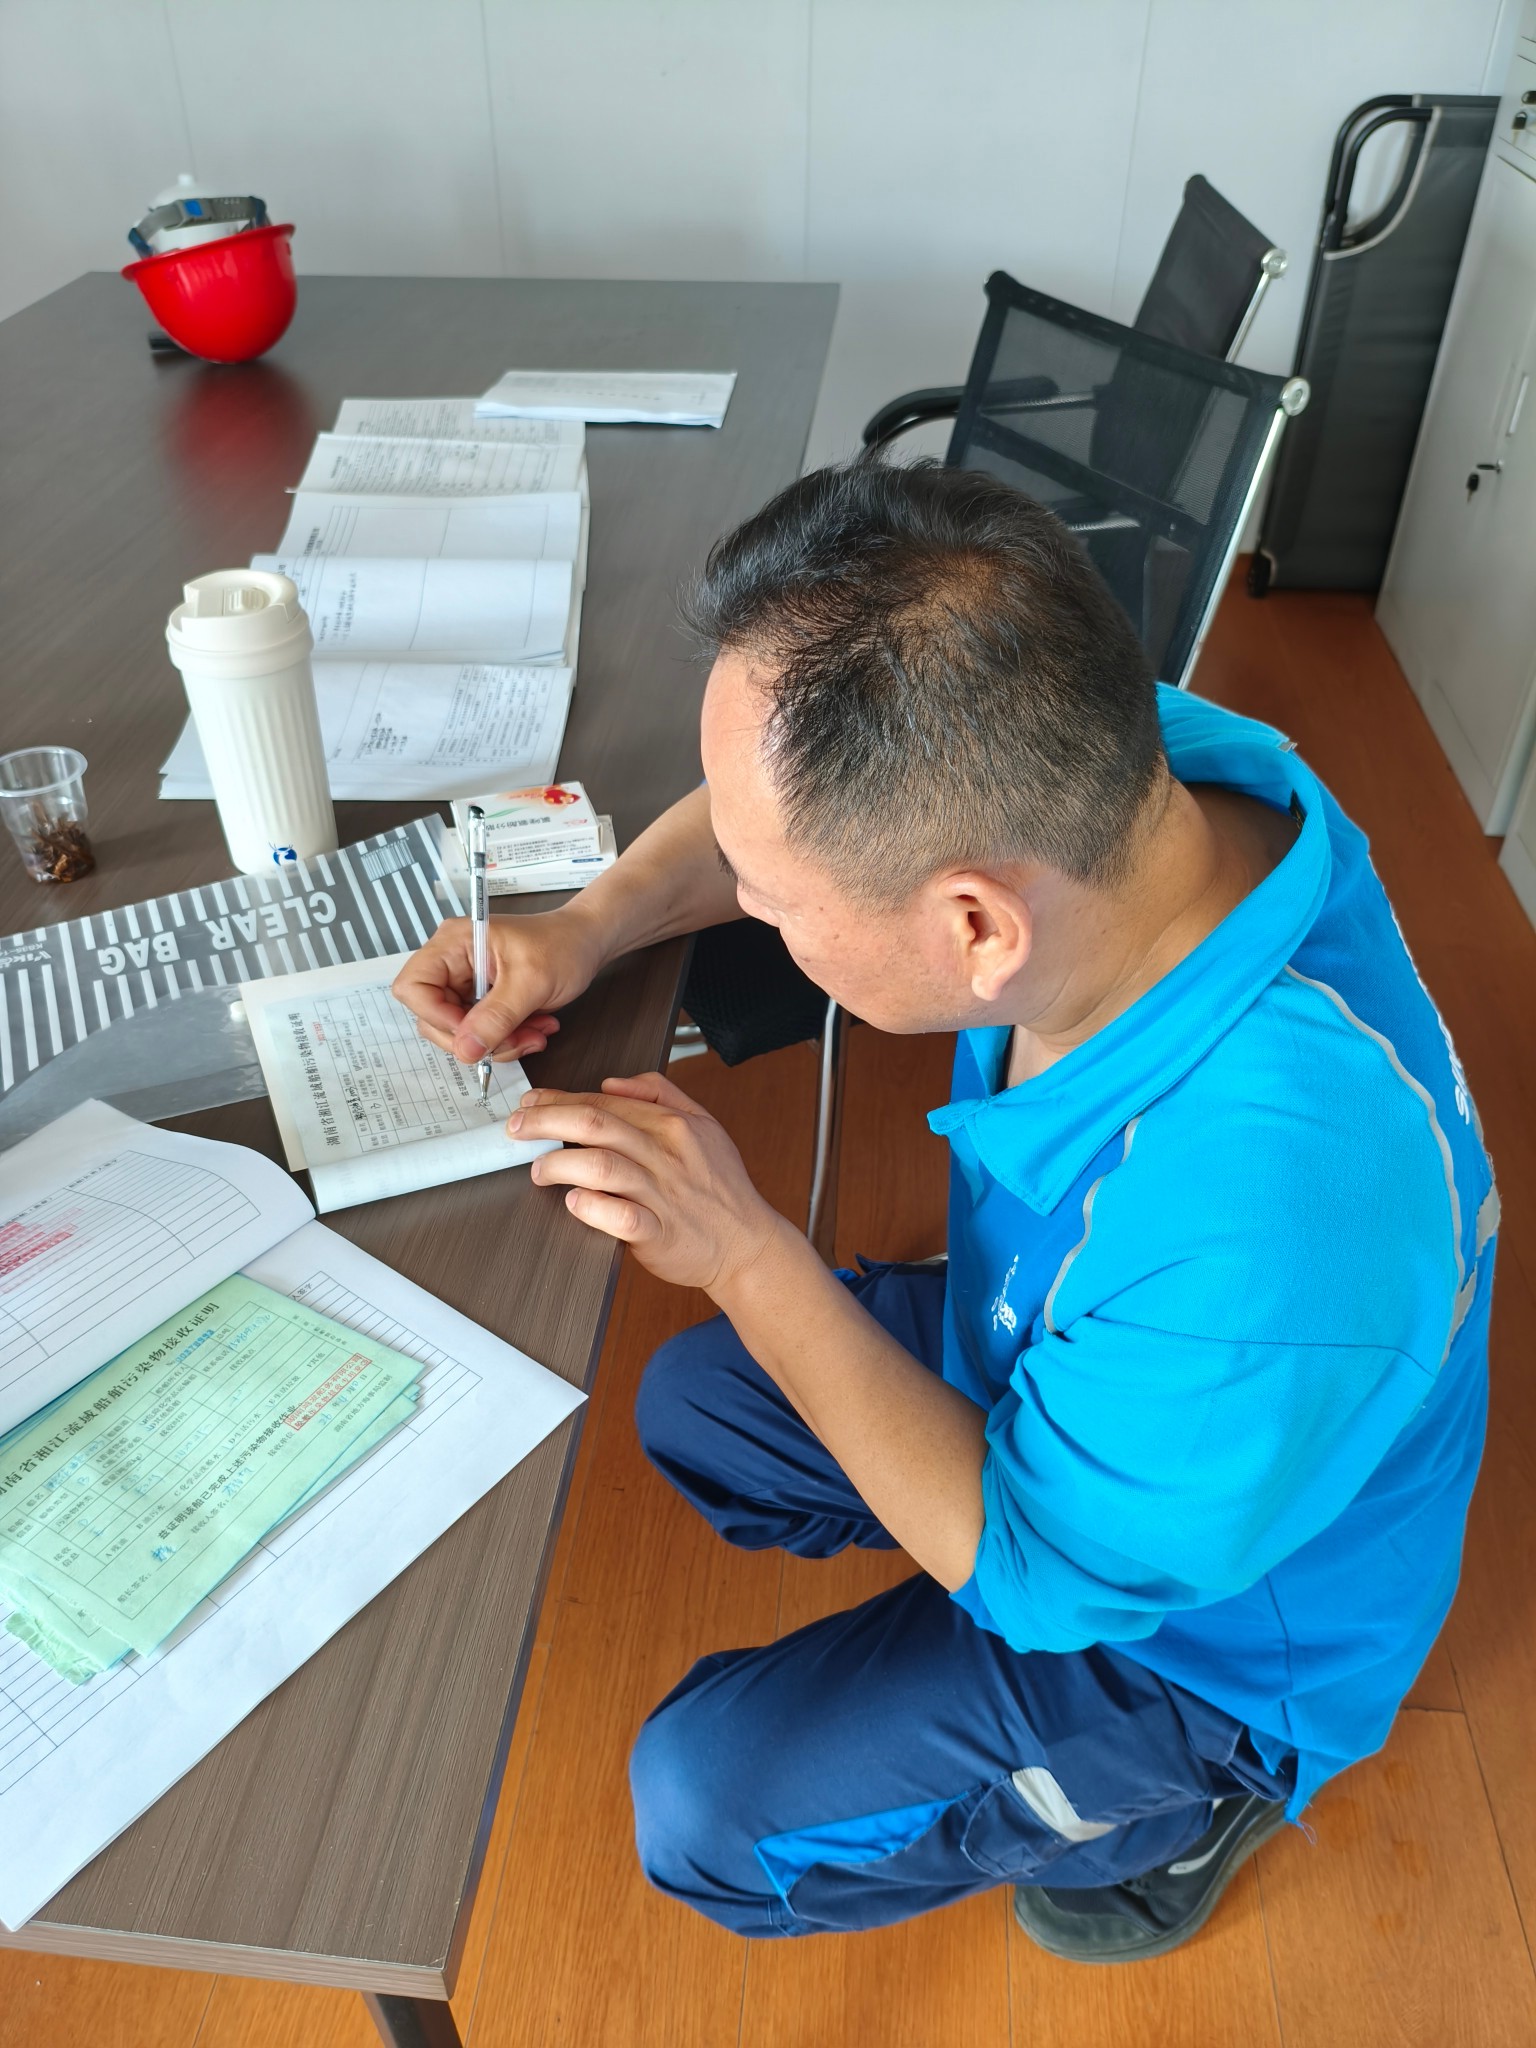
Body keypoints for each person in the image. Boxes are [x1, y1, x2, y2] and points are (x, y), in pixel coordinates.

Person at [392, 460, 1495, 1961]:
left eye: (777, 903)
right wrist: (589, 927)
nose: (749, 905)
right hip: (1101, 1356)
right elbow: (764, 820)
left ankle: (1180, 1804)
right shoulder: (1120, 769)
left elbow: (1039, 1567)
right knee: (698, 1406)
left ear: (976, 926)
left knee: (705, 1804)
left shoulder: (1270, 1226)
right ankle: (947, 1570)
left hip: (1212, 1637)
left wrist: (748, 1252)